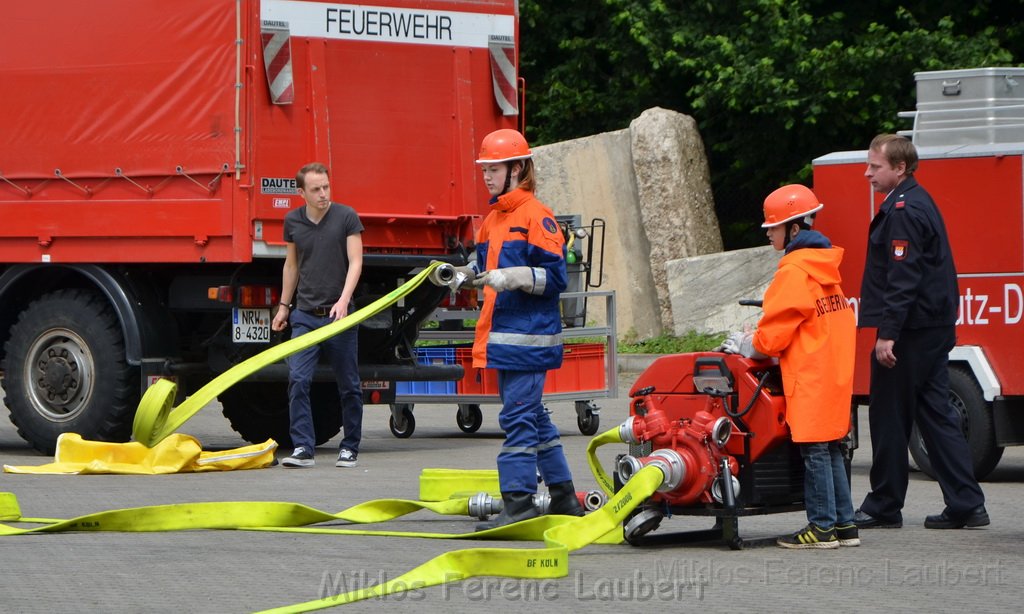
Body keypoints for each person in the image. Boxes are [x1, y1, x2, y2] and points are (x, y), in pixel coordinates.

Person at [853, 134, 988, 529]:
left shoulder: (903, 210)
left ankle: (883, 504)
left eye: (875, 167)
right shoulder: (916, 200)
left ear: (900, 168)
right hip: (931, 327)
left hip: (911, 331)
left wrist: (887, 333)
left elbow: (903, 277)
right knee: (936, 414)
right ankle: (966, 504)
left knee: (889, 415)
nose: (867, 173)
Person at [723, 184, 858, 549]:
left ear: (794, 229)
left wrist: (746, 342)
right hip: (832, 375)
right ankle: (845, 527)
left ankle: (821, 529)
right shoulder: (827, 270)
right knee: (830, 448)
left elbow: (773, 339)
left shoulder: (794, 272)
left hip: (809, 377)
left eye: (774, 226)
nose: (768, 233)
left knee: (814, 451)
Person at [463, 129, 585, 530]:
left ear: (518, 169)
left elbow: (555, 279)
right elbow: (485, 273)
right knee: (534, 419)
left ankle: (518, 502)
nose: (487, 176)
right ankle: (564, 497)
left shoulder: (538, 216)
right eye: (484, 169)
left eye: (494, 169)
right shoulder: (491, 221)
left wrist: (512, 277)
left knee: (517, 420)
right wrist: (465, 276)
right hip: (507, 340)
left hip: (529, 340)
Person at [272, 162, 365, 469]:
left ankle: (350, 446)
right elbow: (292, 266)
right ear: (302, 193)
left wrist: (344, 300)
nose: (323, 193)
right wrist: (284, 307)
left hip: (340, 317)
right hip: (305, 316)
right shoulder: (293, 222)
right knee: (298, 380)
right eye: (316, 189)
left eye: (326, 186)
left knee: (349, 383)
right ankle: (303, 447)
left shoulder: (346, 217)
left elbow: (355, 261)